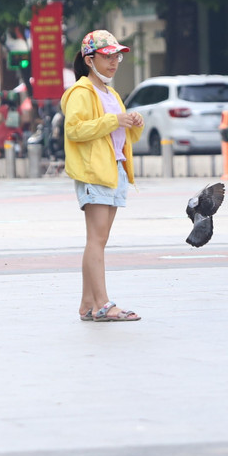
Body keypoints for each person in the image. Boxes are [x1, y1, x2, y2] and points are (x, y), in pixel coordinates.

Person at [63, 29, 144, 323]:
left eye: (117, 56)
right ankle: (102, 304)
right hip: (94, 171)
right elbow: (75, 129)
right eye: (107, 56)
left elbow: (122, 134)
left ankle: (88, 303)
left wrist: (133, 122)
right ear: (89, 59)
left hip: (114, 170)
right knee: (96, 239)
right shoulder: (80, 93)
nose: (114, 61)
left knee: (99, 239)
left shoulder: (111, 93)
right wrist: (114, 120)